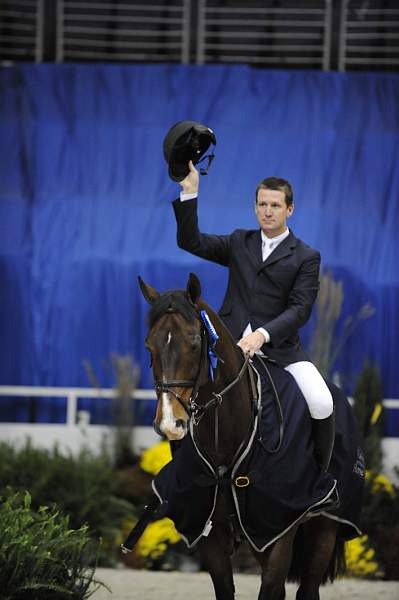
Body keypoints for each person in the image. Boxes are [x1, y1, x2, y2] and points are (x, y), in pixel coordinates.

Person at [172, 160, 335, 474]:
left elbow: (300, 309)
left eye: (275, 205)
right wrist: (190, 193)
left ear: (290, 209)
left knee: (321, 401)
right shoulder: (239, 242)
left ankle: (319, 480)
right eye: (262, 204)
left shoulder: (306, 256)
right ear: (255, 207)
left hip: (279, 350)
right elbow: (190, 241)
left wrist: (262, 334)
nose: (268, 211)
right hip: (227, 347)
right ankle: (181, 476)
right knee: (183, 393)